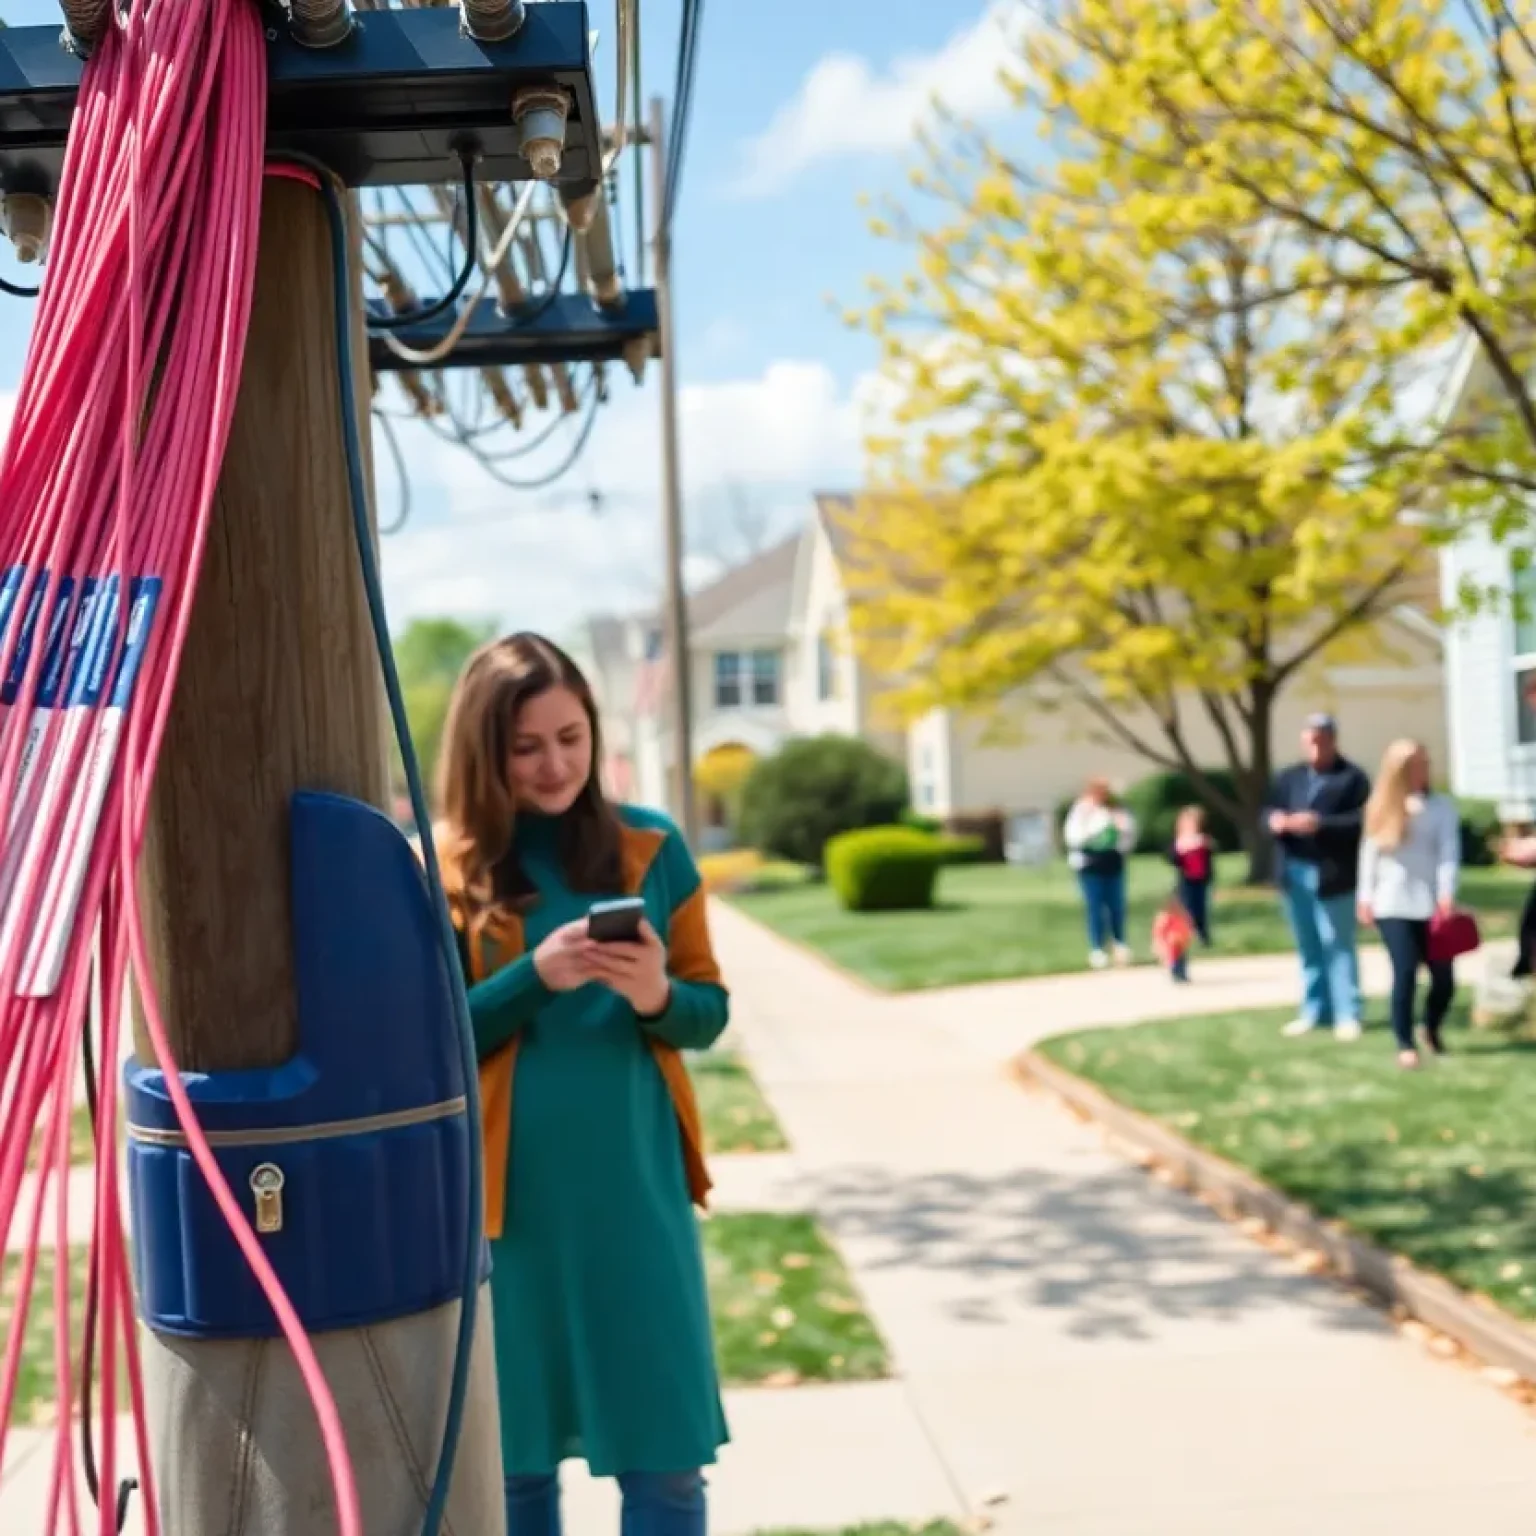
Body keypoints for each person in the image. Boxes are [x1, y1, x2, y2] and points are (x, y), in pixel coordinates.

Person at [435, 632, 729, 1536]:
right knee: (517, 1472)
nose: (556, 762)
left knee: (668, 1469)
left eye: (572, 736)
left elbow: (707, 1012)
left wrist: (654, 995)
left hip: (636, 1200)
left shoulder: (652, 846)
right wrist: (538, 977)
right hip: (505, 1214)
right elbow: (426, 1050)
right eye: (526, 746)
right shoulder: (445, 870)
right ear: (486, 753)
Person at [1264, 713, 1371, 1039]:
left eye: (1322, 740)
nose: (1316, 746)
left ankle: (1348, 1012)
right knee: (1308, 945)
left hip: (1332, 873)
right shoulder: (1290, 777)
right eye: (1311, 739)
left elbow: (1362, 821)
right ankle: (1315, 1010)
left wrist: (1320, 823)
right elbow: (1267, 810)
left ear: (1333, 741)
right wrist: (1276, 821)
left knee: (1338, 943)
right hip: (1294, 870)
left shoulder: (1352, 778)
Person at [1356, 738, 1460, 1068]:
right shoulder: (1381, 806)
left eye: (1425, 764)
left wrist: (1447, 892)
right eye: (1416, 765)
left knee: (1444, 977)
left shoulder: (1441, 807)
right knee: (1404, 972)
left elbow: (1448, 853)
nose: (1423, 770)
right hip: (1392, 902)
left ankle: (1430, 1026)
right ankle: (1405, 1042)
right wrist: (1365, 896)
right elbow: (1369, 855)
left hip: (1430, 901)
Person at [1063, 776, 1137, 968]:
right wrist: (1096, 830)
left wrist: (1120, 832)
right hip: (1090, 865)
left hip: (1112, 862)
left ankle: (1120, 944)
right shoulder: (1082, 811)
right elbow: (1074, 837)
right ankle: (1097, 948)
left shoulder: (1116, 810)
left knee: (1116, 905)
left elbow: (1128, 834)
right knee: (1095, 906)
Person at [1167, 804, 1214, 944]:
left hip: (1201, 879)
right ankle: (1186, 933)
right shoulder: (1180, 842)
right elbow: (1172, 859)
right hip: (1186, 879)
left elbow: (1208, 858)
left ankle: (1202, 935)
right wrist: (1179, 849)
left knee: (1201, 908)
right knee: (1187, 907)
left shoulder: (1202, 840)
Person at [1152, 892, 1196, 983]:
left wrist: (1189, 936)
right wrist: (1160, 943)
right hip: (1171, 945)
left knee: (1182, 960)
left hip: (1181, 944)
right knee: (1173, 961)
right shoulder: (1165, 917)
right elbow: (1159, 931)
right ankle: (1176, 975)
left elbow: (1188, 927)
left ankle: (1182, 974)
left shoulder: (1183, 916)